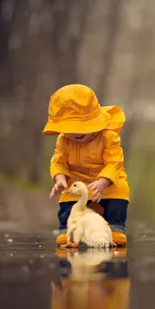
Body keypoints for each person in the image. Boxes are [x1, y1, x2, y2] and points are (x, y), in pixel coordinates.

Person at [43, 84, 130, 246]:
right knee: (68, 199)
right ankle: (68, 231)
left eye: (82, 125)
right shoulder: (63, 140)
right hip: (77, 180)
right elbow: (58, 160)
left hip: (107, 181)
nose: (76, 132)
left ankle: (115, 228)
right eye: (70, 128)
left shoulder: (108, 136)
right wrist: (60, 178)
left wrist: (104, 181)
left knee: (118, 195)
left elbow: (115, 161)